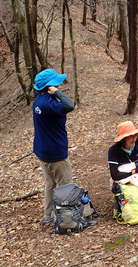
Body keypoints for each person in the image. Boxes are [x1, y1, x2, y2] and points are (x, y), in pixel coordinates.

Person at [32, 69, 75, 226]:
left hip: (42, 151)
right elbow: (70, 105)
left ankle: (48, 216)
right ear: (49, 86)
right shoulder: (50, 104)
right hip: (56, 153)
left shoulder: (38, 101)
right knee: (65, 185)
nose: (59, 84)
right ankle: (66, 221)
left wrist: (53, 92)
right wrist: (57, 93)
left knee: (50, 184)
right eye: (56, 83)